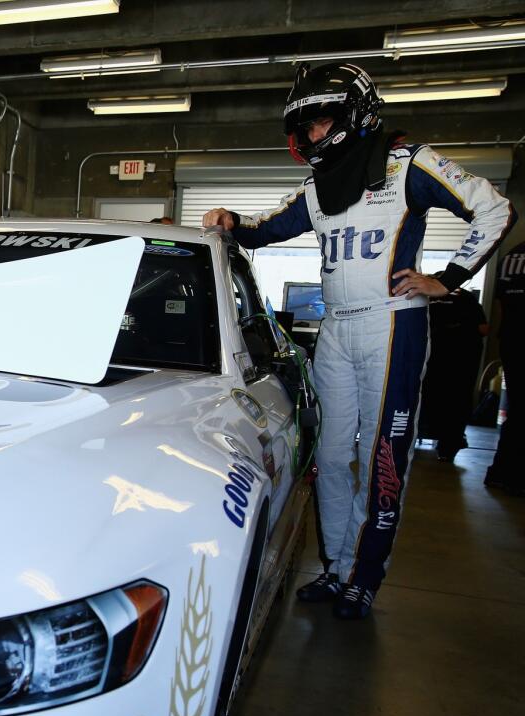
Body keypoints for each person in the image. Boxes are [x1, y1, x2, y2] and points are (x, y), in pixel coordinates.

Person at [202, 63, 516, 620]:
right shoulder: (318, 186)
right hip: (337, 328)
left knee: (381, 457)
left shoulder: (408, 162)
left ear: (352, 112)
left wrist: (448, 279)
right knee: (327, 453)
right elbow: (267, 227)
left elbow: (493, 208)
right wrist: (229, 220)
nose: (312, 136)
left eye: (320, 123)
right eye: (306, 128)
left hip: (394, 323)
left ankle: (364, 578)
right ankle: (336, 568)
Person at [419, 287, 487, 460]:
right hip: (462, 360)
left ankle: (414, 436)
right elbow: (483, 329)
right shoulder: (466, 298)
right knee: (458, 402)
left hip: (429, 357)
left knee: (422, 397)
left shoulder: (426, 296)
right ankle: (448, 448)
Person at [485, 240, 525, 494]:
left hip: (512, 338)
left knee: (517, 408)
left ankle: (502, 471)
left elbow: (500, 304)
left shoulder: (511, 257)